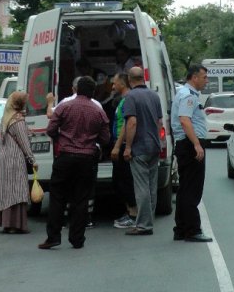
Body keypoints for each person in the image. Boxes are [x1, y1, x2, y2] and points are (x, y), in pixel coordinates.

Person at [39, 76, 110, 250]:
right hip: (87, 159)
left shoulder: (64, 106)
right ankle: (77, 238)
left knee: (57, 197)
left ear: (76, 89)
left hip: (65, 156)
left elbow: (51, 129)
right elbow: (106, 138)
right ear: (93, 92)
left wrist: (61, 141)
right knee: (81, 199)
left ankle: (53, 236)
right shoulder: (98, 110)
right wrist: (93, 144)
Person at [171, 64, 213, 243]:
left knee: (184, 188)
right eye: (204, 77)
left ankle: (181, 228)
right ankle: (192, 230)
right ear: (194, 77)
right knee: (192, 189)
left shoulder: (185, 94)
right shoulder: (188, 96)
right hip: (189, 144)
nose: (206, 80)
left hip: (185, 144)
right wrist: (196, 144)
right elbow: (185, 120)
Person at [122, 67, 163, 236]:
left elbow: (131, 122)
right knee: (152, 186)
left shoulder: (130, 97)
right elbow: (159, 122)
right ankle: (149, 220)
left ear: (130, 80)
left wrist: (128, 146)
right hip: (154, 146)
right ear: (143, 78)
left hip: (139, 147)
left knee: (141, 188)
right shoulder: (154, 95)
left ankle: (144, 225)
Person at [0, 91, 36, 234]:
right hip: (15, 159)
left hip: (3, 158)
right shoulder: (18, 119)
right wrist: (32, 160)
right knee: (16, 190)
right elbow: (23, 142)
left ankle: (5, 223)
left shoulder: (6, 117)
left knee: (6, 190)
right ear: (20, 104)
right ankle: (15, 225)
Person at [109, 73, 137, 228]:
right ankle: (129, 212)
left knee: (126, 181)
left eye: (115, 83)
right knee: (119, 182)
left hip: (124, 144)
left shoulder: (127, 101)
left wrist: (119, 146)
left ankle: (133, 215)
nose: (113, 87)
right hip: (121, 143)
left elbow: (127, 124)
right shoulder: (123, 101)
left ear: (123, 84)